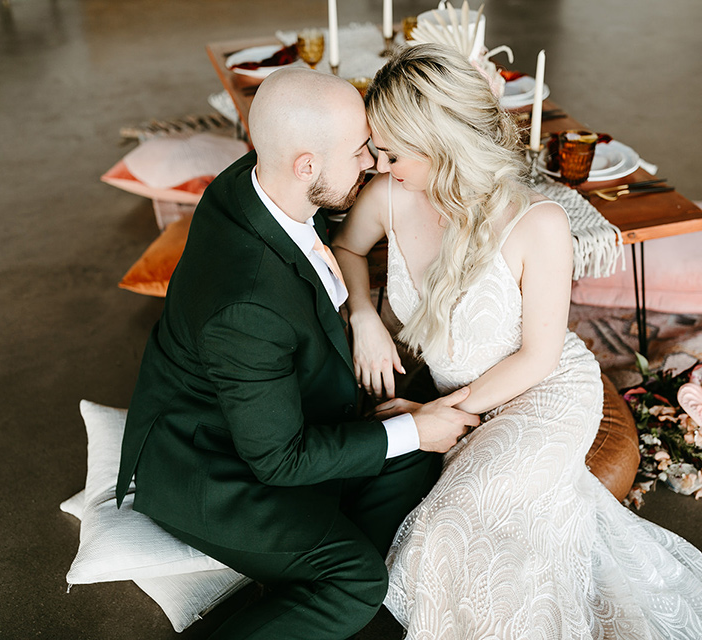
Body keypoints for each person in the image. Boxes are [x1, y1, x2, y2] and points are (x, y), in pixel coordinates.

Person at [331, 43, 702, 639]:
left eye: (391, 151)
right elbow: (348, 248)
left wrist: (437, 412)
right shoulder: (390, 196)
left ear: (438, 143)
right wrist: (364, 314)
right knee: (475, 532)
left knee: (445, 526)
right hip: (462, 399)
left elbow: (537, 356)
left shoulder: (536, 222)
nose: (379, 165)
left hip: (538, 395)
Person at [115, 67, 480, 640]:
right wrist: (414, 429)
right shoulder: (247, 304)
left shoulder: (255, 178)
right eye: (361, 151)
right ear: (306, 165)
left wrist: (362, 316)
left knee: (410, 447)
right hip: (213, 467)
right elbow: (278, 461)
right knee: (354, 580)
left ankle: (308, 595)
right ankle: (325, 594)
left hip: (272, 412)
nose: (373, 162)